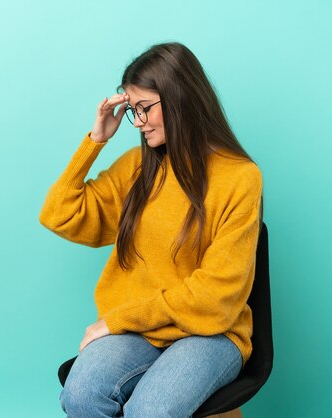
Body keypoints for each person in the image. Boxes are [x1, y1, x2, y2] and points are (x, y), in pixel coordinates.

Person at [39, 42, 263, 418]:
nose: (138, 120)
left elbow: (216, 295)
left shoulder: (240, 178)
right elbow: (59, 214)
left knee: (152, 410)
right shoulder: (137, 169)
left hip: (210, 333)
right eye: (133, 110)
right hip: (141, 334)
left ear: (180, 99)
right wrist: (95, 142)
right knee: (81, 395)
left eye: (145, 107)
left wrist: (117, 320)